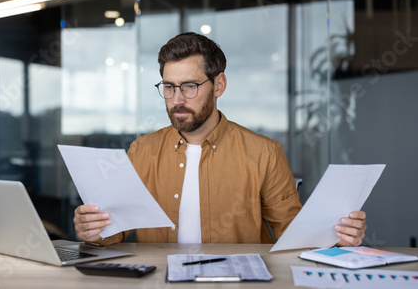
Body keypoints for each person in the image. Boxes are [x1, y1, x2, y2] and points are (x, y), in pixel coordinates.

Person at [74, 32, 367, 246]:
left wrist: (340, 237)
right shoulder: (142, 151)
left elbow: (296, 233)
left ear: (219, 85)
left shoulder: (263, 152)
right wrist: (93, 230)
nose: (177, 100)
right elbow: (114, 232)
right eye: (168, 87)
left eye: (189, 86)